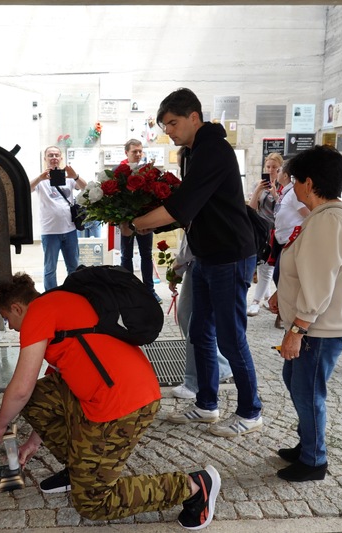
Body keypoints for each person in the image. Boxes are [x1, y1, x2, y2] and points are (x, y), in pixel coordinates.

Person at [0, 273, 221, 530]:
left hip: (123, 404)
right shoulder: (60, 302)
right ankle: (79, 468)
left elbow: (20, 389)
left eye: (8, 319)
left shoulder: (38, 313)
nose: (11, 327)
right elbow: (52, 394)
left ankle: (195, 486)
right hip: (128, 386)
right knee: (37, 399)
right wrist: (33, 441)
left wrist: (1, 423)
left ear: (18, 307)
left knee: (93, 503)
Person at [126, 88, 262, 438]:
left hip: (230, 255)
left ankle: (250, 411)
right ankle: (207, 404)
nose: (168, 130)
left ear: (194, 117)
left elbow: (183, 207)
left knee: (232, 339)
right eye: (164, 125)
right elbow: (191, 209)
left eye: (172, 123)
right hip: (206, 254)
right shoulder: (191, 152)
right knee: (199, 332)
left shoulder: (213, 149)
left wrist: (137, 223)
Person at [267, 145, 342, 482]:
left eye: (294, 180)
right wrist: (283, 290)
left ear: (309, 182)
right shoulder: (324, 217)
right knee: (294, 381)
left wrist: (297, 329)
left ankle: (314, 460)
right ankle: (308, 442)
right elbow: (311, 268)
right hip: (317, 323)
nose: (291, 187)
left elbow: (321, 283)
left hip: (322, 327)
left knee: (307, 390)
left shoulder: (328, 220)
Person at [168, 233, 233, 399]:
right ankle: (220, 367)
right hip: (199, 261)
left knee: (197, 325)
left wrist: (179, 264)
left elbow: (194, 236)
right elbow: (191, 236)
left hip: (211, 261)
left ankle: (195, 382)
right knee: (187, 316)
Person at [30, 146, 86, 290]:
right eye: (50, 155)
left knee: (73, 266)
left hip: (70, 230)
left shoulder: (69, 178)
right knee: (50, 269)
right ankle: (51, 297)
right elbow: (26, 189)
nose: (54, 157)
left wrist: (75, 176)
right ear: (45, 159)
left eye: (56, 155)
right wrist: (39, 178)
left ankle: (74, 294)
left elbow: (87, 189)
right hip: (50, 232)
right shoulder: (41, 180)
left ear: (61, 158)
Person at [119, 139, 162, 303]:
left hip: (145, 220)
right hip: (126, 222)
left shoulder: (148, 172)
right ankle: (128, 290)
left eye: (139, 151)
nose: (137, 154)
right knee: (126, 256)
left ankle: (149, 290)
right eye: (134, 151)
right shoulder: (120, 171)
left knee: (146, 255)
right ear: (126, 153)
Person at [270, 159, 310, 328]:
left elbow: (308, 214)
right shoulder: (286, 193)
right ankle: (283, 312)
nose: (274, 172)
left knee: (281, 276)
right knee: (279, 276)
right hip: (283, 241)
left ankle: (286, 313)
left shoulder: (294, 194)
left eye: (278, 170)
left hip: (291, 242)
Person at [247, 152, 283, 316]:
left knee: (267, 266)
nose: (270, 170)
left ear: (280, 169)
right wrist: (258, 190)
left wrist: (275, 193)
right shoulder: (258, 185)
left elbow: (281, 209)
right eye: (268, 167)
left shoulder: (284, 187)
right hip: (259, 229)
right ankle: (267, 295)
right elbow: (252, 208)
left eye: (274, 167)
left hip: (275, 230)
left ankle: (256, 301)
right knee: (261, 263)